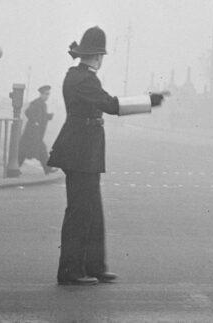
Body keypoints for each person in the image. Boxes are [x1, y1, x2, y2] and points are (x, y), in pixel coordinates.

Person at [47, 26, 165, 286]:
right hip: (81, 151)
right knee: (80, 211)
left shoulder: (77, 75)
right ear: (99, 56)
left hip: (82, 150)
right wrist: (148, 101)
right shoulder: (85, 79)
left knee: (91, 210)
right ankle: (70, 271)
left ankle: (93, 266)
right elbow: (111, 105)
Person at [18, 85, 56, 174]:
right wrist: (34, 122)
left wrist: (48, 116)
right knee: (41, 150)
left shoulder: (42, 104)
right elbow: (28, 112)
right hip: (32, 133)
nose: (47, 96)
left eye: (48, 94)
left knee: (24, 151)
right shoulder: (36, 103)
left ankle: (16, 168)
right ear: (41, 94)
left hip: (35, 133)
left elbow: (41, 116)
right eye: (46, 94)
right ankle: (47, 169)